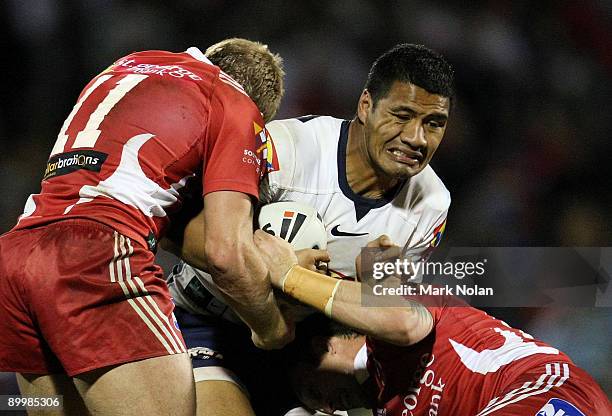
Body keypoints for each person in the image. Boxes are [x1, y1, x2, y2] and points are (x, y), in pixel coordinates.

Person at [0, 38, 289, 415]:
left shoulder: (124, 65)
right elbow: (225, 254)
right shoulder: (235, 104)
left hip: (16, 259)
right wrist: (271, 327)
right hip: (97, 256)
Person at [166, 43, 454, 415]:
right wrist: (264, 264)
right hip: (204, 322)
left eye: (434, 124)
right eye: (402, 115)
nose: (417, 138)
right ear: (366, 105)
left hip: (301, 350)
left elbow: (377, 307)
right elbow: (173, 228)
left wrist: (377, 287)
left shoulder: (431, 204)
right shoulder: (284, 150)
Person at [254, 231, 612, 416]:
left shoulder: (395, 324)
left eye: (316, 392)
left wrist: (289, 276)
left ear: (321, 347)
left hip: (542, 391)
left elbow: (400, 316)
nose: (331, 407)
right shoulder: (385, 403)